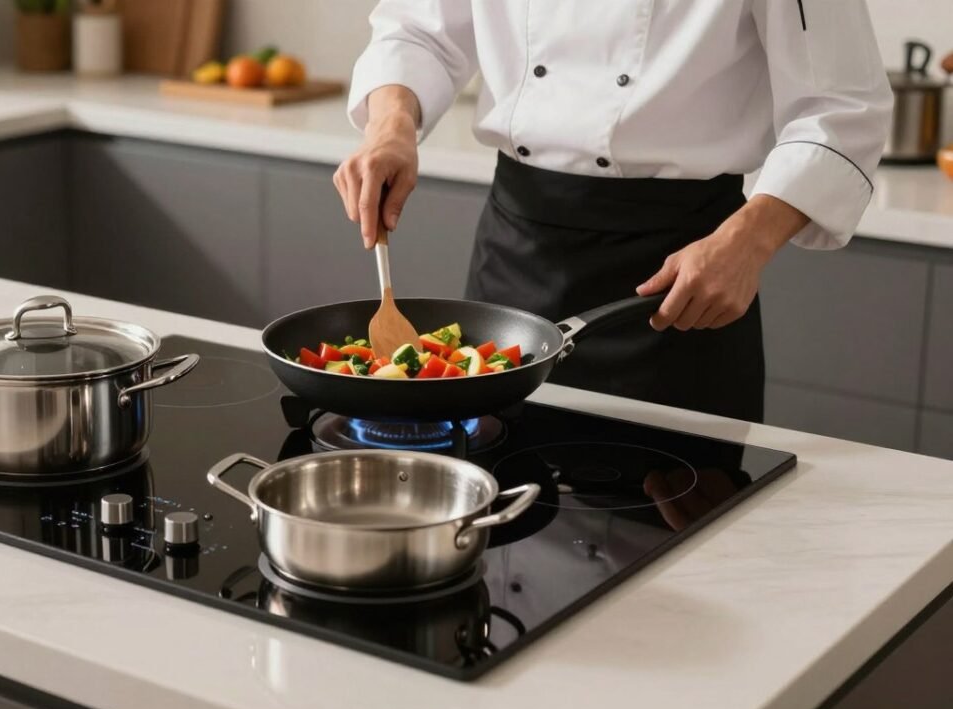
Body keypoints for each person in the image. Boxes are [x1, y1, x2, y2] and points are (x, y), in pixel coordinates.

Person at [334, 1, 892, 422]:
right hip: (515, 256)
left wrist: (748, 241)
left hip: (681, 279)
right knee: (498, 500)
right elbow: (418, 29)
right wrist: (391, 127)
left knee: (683, 530)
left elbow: (841, 107)